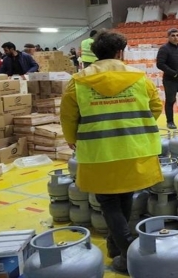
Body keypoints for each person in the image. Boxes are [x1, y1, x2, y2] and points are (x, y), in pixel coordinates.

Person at [59, 30, 163, 274]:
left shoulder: (78, 81)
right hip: (135, 149)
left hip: (99, 152)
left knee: (108, 201)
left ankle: (126, 251)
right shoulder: (139, 78)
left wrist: (72, 139)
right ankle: (120, 249)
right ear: (120, 52)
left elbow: (68, 117)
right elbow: (156, 107)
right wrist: (135, 127)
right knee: (124, 195)